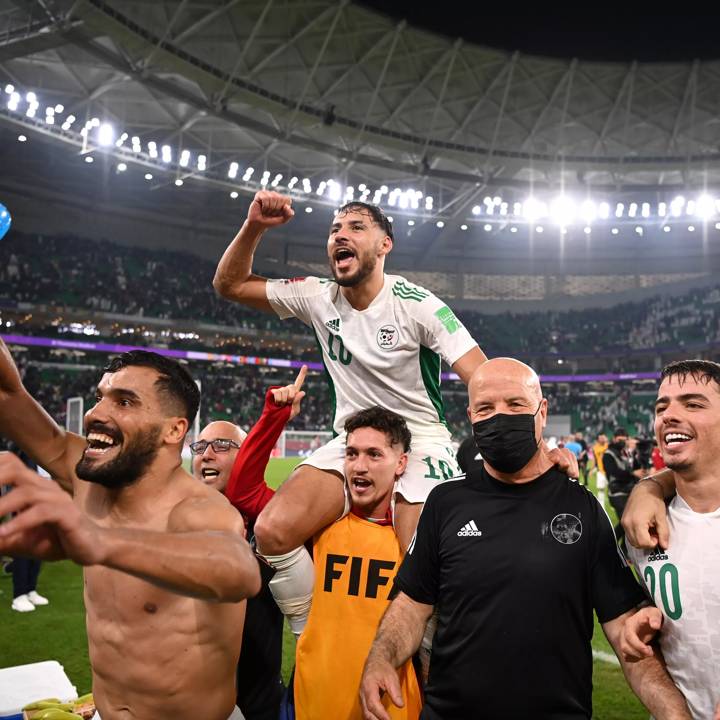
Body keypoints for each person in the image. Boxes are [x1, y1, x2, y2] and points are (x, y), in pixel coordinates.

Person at [214, 192, 486, 634]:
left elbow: (484, 376)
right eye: (335, 229)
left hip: (419, 437)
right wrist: (255, 227)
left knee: (424, 554)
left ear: (385, 245)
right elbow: (229, 285)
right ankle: (312, 638)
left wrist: (521, 445)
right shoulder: (316, 297)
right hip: (352, 439)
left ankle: (435, 675)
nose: (340, 234)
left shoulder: (418, 304)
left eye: (356, 226)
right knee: (272, 531)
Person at [360, 358, 691, 720]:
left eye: (515, 404)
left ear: (542, 411)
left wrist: (675, 713)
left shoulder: (582, 508)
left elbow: (626, 634)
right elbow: (411, 605)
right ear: (471, 416)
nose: (500, 416)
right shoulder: (445, 502)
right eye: (486, 407)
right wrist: (381, 657)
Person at [0, 343, 261, 720]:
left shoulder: (198, 511)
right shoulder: (90, 481)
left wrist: (99, 541)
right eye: (100, 397)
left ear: (174, 430)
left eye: (124, 402)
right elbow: (9, 396)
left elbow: (239, 570)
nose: (94, 414)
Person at [225, 394, 422, 719]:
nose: (360, 466)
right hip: (310, 698)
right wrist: (275, 415)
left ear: (401, 463)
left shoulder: (413, 539)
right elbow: (245, 493)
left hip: (390, 705)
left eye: (374, 454)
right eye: (352, 453)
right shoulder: (318, 527)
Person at [621, 360, 720, 719]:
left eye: (693, 404)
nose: (669, 415)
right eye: (662, 407)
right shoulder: (641, 532)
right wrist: (644, 620)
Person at [604, 427, 644, 541]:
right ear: (614, 439)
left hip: (630, 491)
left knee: (630, 523)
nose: (622, 442)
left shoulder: (628, 452)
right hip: (617, 493)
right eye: (620, 439)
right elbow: (614, 472)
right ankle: (609, 544)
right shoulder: (608, 454)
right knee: (626, 522)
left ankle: (623, 551)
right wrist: (632, 474)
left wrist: (638, 453)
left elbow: (637, 468)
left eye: (624, 439)